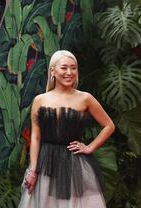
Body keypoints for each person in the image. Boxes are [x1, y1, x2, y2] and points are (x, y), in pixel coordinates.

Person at [18, 50, 115, 208]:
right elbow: (35, 137)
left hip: (74, 164)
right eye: (64, 68)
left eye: (73, 68)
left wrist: (90, 147)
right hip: (45, 164)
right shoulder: (40, 100)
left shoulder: (85, 98)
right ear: (53, 71)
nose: (69, 72)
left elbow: (109, 125)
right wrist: (32, 169)